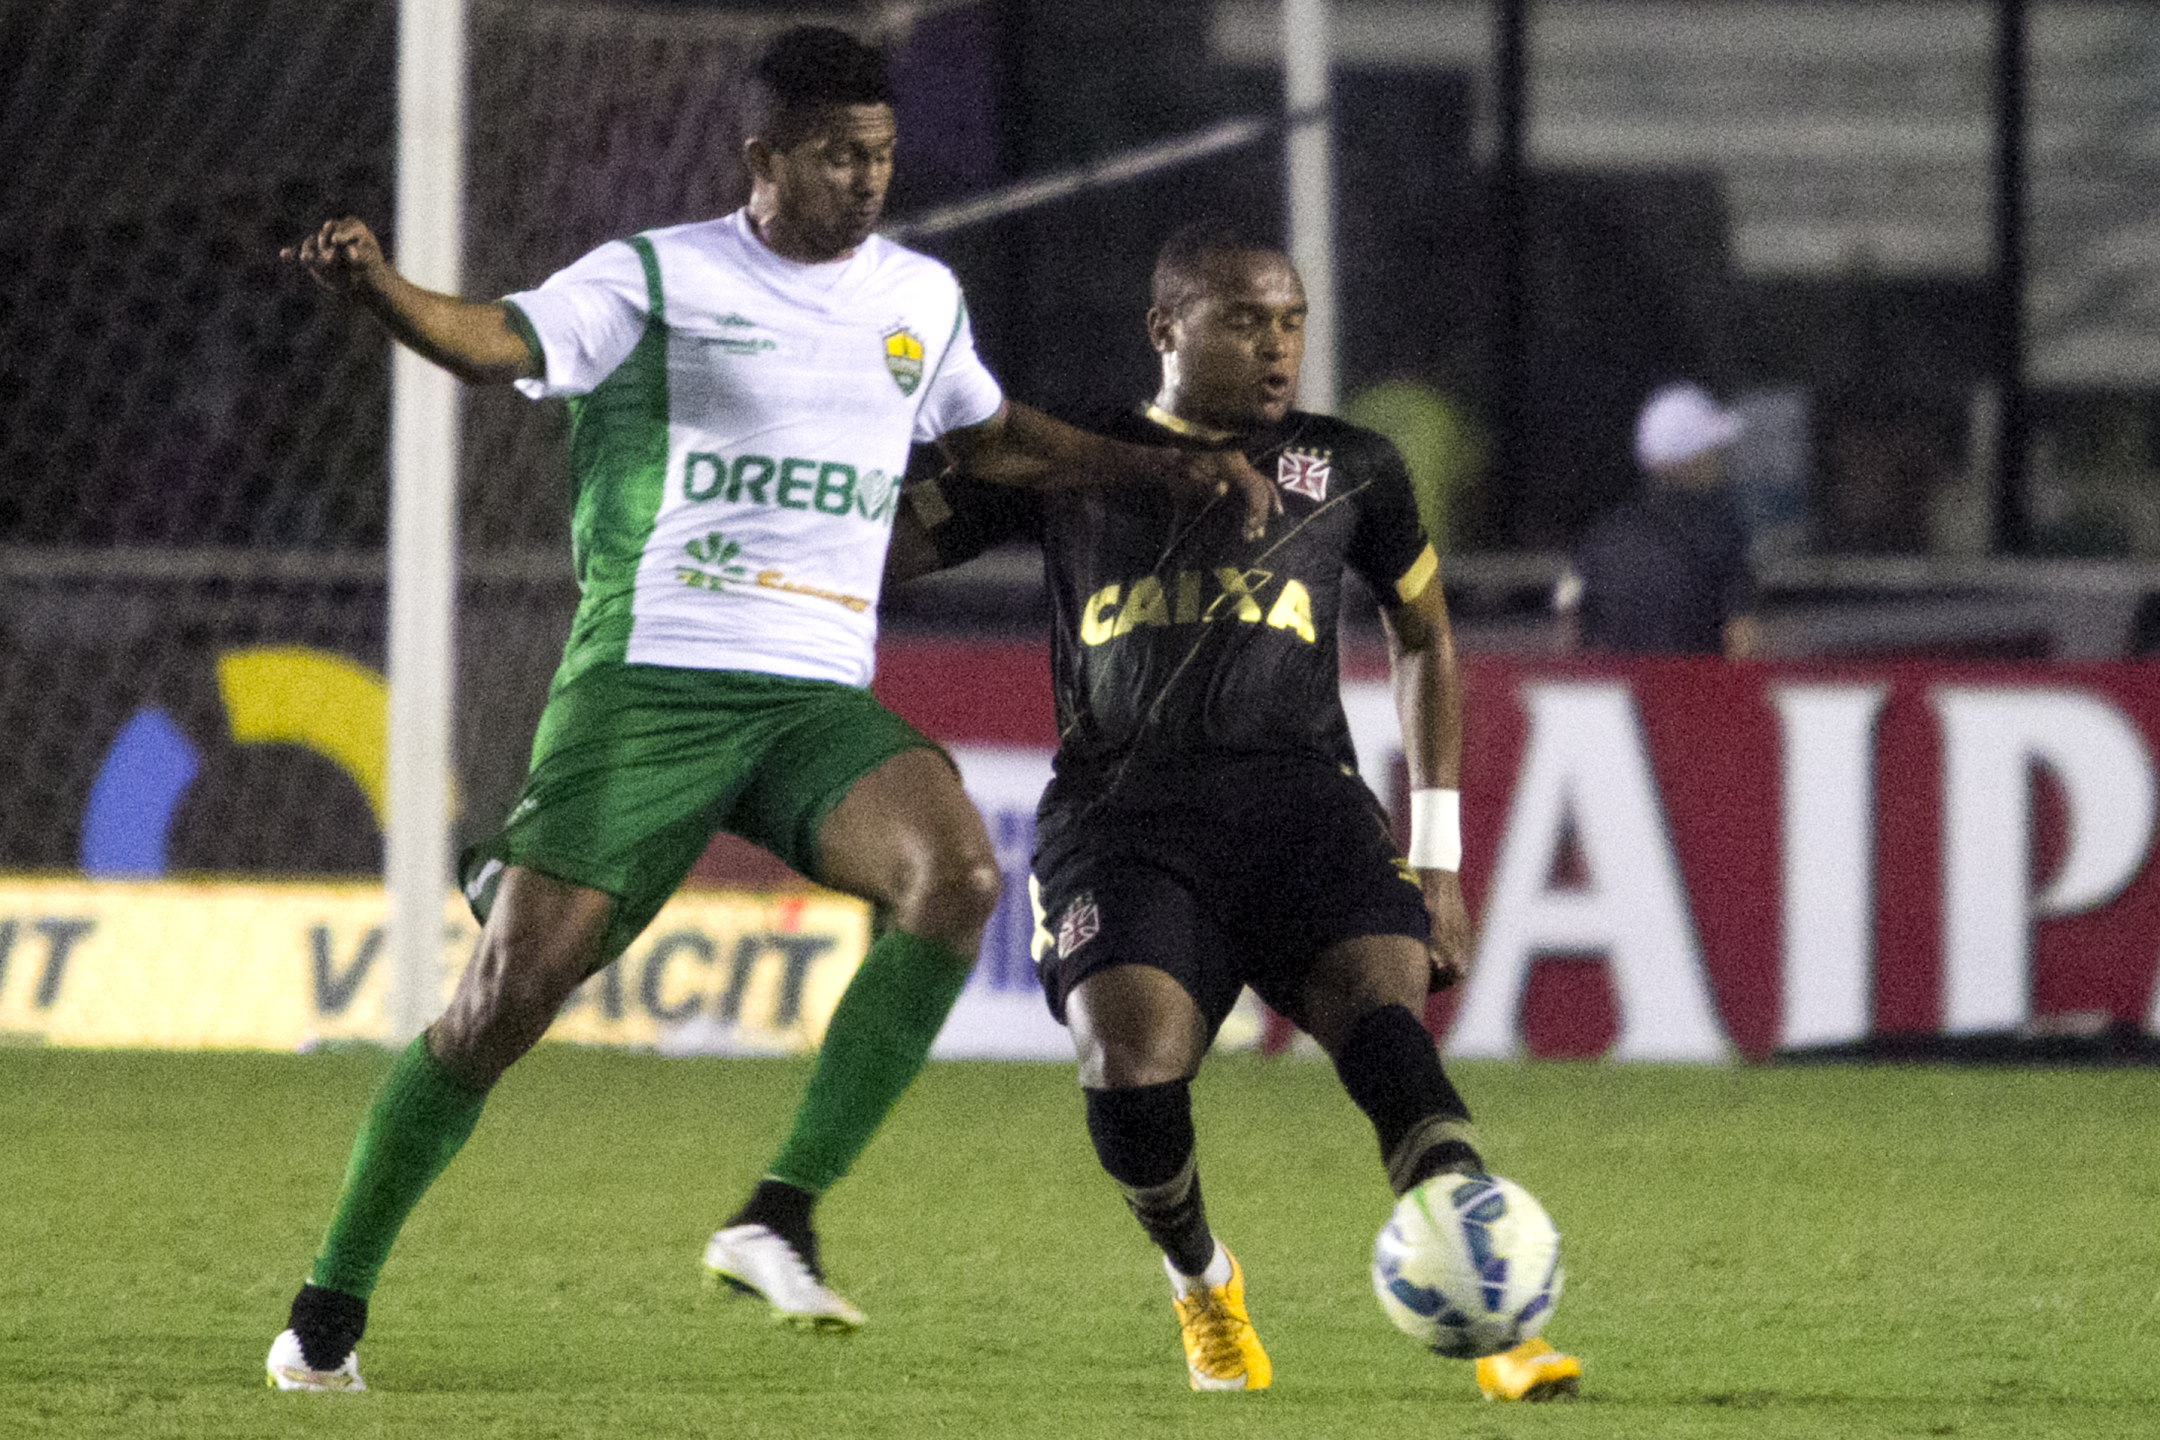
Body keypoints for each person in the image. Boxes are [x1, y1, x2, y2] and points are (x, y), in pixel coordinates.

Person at [264, 28, 1273, 1392]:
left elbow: (993, 439)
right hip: (653, 685)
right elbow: (493, 343)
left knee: (959, 876)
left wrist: (1156, 473)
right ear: (766, 159)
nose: (867, 179)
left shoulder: (916, 297)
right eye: (838, 156)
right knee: (504, 1001)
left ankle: (777, 1214)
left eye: (882, 156)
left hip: (811, 701)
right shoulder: (656, 277)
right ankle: (327, 1309)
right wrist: (383, 287)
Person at [884, 225, 1583, 1401]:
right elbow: (878, 546)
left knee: (1386, 1028)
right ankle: (1202, 1281)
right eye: (1246, 320)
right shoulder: (1074, 457)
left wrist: (1440, 860)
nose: (1277, 346)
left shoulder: (1350, 465)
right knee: (1129, 1069)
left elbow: (1425, 636)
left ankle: (1496, 1321)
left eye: (1291, 320)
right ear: (1167, 329)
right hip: (1126, 821)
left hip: (1304, 809)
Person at [1555, 382, 1760, 657]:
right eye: (1711, 451)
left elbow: (1568, 615)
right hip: (1694, 683)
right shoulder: (1721, 535)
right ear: (1687, 461)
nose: (1719, 460)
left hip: (1618, 683)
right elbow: (1742, 640)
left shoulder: (1605, 536)